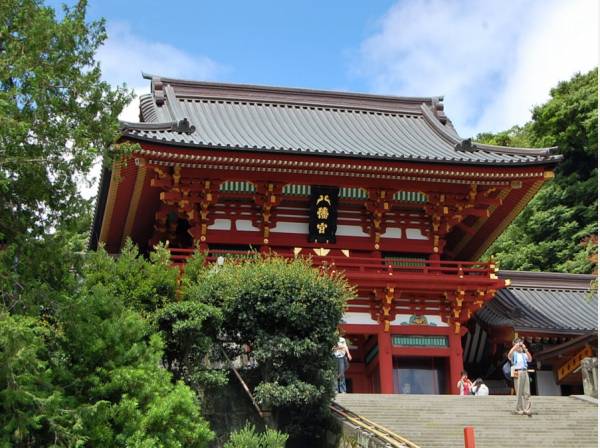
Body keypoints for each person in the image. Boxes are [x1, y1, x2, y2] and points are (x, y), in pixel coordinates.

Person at [507, 338, 533, 416]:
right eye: (519, 344)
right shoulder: (514, 353)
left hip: (525, 371)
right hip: (516, 371)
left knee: (527, 392)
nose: (520, 346)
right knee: (518, 391)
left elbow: (530, 359)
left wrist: (525, 349)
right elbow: (509, 355)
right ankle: (519, 409)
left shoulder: (524, 354)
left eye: (521, 344)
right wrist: (515, 346)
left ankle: (527, 409)